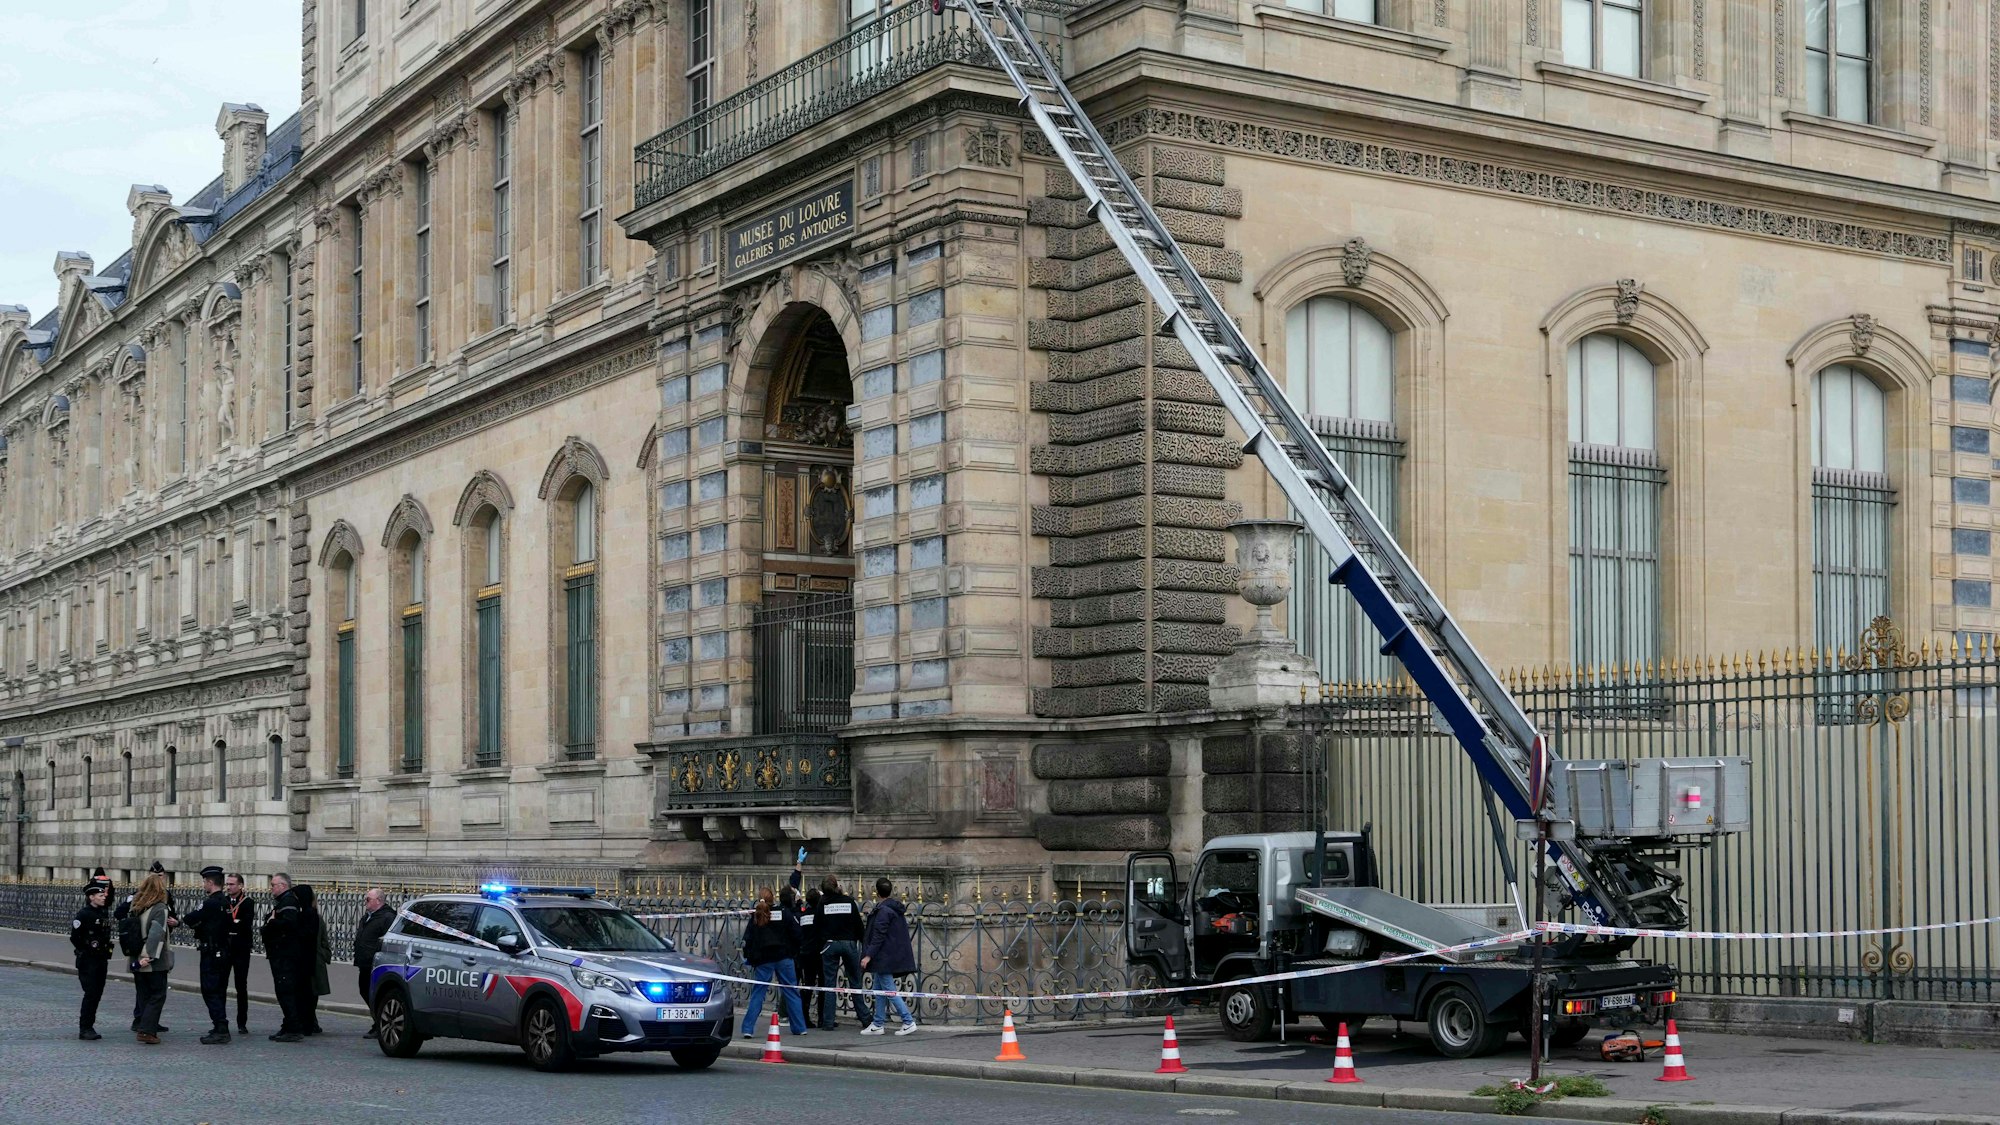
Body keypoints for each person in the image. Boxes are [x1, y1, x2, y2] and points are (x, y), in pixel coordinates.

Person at [117, 861, 177, 1034]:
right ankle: (143, 1023)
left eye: (160, 875)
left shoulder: (154, 899)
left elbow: (171, 918)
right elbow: (154, 932)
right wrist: (147, 955)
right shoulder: (141, 900)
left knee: (145, 991)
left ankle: (148, 1022)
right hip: (149, 954)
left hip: (139, 951)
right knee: (155, 992)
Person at [738, 887, 807, 1039]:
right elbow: (797, 934)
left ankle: (748, 1029)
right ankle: (800, 1027)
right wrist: (793, 950)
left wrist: (751, 957)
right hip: (784, 957)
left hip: (764, 959)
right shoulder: (784, 912)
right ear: (773, 899)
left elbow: (748, 939)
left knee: (758, 993)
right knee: (791, 992)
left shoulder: (757, 915)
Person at [179, 865, 235, 1044]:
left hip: (212, 952)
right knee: (219, 990)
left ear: (210, 882)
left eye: (204, 881)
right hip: (224, 951)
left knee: (210, 990)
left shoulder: (210, 902)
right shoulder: (225, 902)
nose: (203, 884)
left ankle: (221, 1027)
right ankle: (220, 1025)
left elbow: (191, 918)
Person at [859, 877, 917, 1036]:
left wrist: (868, 956)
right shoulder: (892, 909)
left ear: (876, 892)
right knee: (878, 990)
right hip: (886, 956)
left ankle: (908, 1020)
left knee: (890, 991)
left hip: (884, 957)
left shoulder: (884, 911)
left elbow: (879, 935)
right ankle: (878, 1023)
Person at [816, 873, 868, 1030]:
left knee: (830, 984)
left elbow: (817, 925)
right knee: (855, 981)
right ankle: (865, 1018)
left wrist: (823, 943)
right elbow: (858, 926)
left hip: (830, 944)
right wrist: (862, 942)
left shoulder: (822, 904)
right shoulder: (848, 901)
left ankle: (828, 1021)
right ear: (837, 885)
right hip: (849, 943)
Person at [128, 871, 174, 1045]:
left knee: (143, 994)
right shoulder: (160, 908)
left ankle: (142, 1024)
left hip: (135, 957)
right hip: (152, 961)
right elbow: (156, 934)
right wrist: (148, 957)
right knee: (157, 995)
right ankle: (147, 1031)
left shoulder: (135, 906)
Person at [261, 872, 306, 1042]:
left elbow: (289, 925)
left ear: (283, 886)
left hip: (285, 954)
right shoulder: (283, 901)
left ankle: (293, 1027)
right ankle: (288, 1024)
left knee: (286, 991)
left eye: (273, 885)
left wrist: (271, 923)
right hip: (280, 953)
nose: (271, 888)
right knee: (283, 991)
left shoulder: (288, 902)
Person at [70, 880, 113, 1040]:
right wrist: (87, 949)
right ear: (91, 897)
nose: (103, 898)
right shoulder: (83, 914)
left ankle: (90, 1025)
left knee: (97, 993)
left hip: (101, 959)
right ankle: (85, 1028)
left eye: (104, 895)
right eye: (101, 895)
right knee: (91, 993)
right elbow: (75, 937)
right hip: (88, 960)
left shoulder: (103, 912)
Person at [352, 888, 393, 1040]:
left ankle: (380, 1024)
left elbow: (386, 941)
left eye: (368, 899)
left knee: (375, 994)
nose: (365, 902)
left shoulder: (387, 917)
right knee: (364, 990)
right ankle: (378, 1021)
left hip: (376, 963)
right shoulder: (368, 916)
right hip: (364, 961)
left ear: (378, 901)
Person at [222, 873, 256, 1033]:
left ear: (241, 886)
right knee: (221, 985)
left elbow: (245, 923)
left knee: (241, 986)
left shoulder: (248, 902)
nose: (228, 887)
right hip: (226, 948)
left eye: (232, 884)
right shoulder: (223, 901)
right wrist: (234, 922)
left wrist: (232, 923)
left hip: (241, 949)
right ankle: (221, 1021)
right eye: (227, 884)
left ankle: (242, 1022)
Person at [299, 883, 331, 1035]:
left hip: (314, 960)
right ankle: (311, 1022)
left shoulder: (314, 917)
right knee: (309, 993)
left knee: (311, 993)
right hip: (314, 960)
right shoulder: (311, 916)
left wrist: (324, 954)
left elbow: (324, 940)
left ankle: (309, 1022)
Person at [798, 886, 827, 1029]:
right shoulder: (820, 914)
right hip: (819, 953)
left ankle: (805, 1016)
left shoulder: (804, 915)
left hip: (806, 954)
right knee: (822, 986)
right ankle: (822, 1017)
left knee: (808, 985)